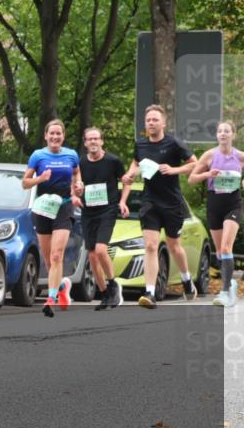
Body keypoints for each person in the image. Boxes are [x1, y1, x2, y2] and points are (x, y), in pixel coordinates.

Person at [122, 104, 199, 309]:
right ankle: (150, 292)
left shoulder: (173, 143)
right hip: (150, 202)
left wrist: (174, 169)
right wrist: (130, 174)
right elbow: (136, 164)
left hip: (172, 203)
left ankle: (186, 280)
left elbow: (195, 163)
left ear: (163, 123)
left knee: (174, 246)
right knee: (150, 246)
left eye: (155, 120)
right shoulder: (141, 144)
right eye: (148, 120)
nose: (151, 123)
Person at [22, 119, 81, 318]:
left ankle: (51, 298)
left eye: (59, 134)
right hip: (44, 208)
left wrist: (77, 187)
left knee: (57, 255)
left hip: (64, 207)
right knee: (48, 259)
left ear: (63, 136)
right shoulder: (38, 156)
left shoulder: (71, 155)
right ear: (46, 136)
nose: (55, 137)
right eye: (52, 133)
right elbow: (25, 183)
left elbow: (76, 174)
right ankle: (62, 286)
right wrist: (40, 179)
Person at [75, 127, 131, 310]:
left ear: (102, 141)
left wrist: (123, 201)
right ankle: (104, 293)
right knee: (91, 256)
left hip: (107, 210)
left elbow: (126, 182)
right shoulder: (81, 162)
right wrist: (75, 195)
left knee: (100, 250)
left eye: (96, 139)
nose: (93, 142)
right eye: (89, 139)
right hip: (88, 211)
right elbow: (75, 182)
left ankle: (113, 285)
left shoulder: (113, 161)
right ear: (85, 143)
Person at [188, 121, 242, 307]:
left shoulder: (240, 157)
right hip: (214, 204)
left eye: (227, 131)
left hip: (233, 205)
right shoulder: (210, 155)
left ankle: (225, 292)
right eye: (220, 131)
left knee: (226, 248)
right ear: (217, 135)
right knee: (220, 252)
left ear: (233, 135)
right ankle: (231, 283)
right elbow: (191, 179)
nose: (223, 134)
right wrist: (208, 174)